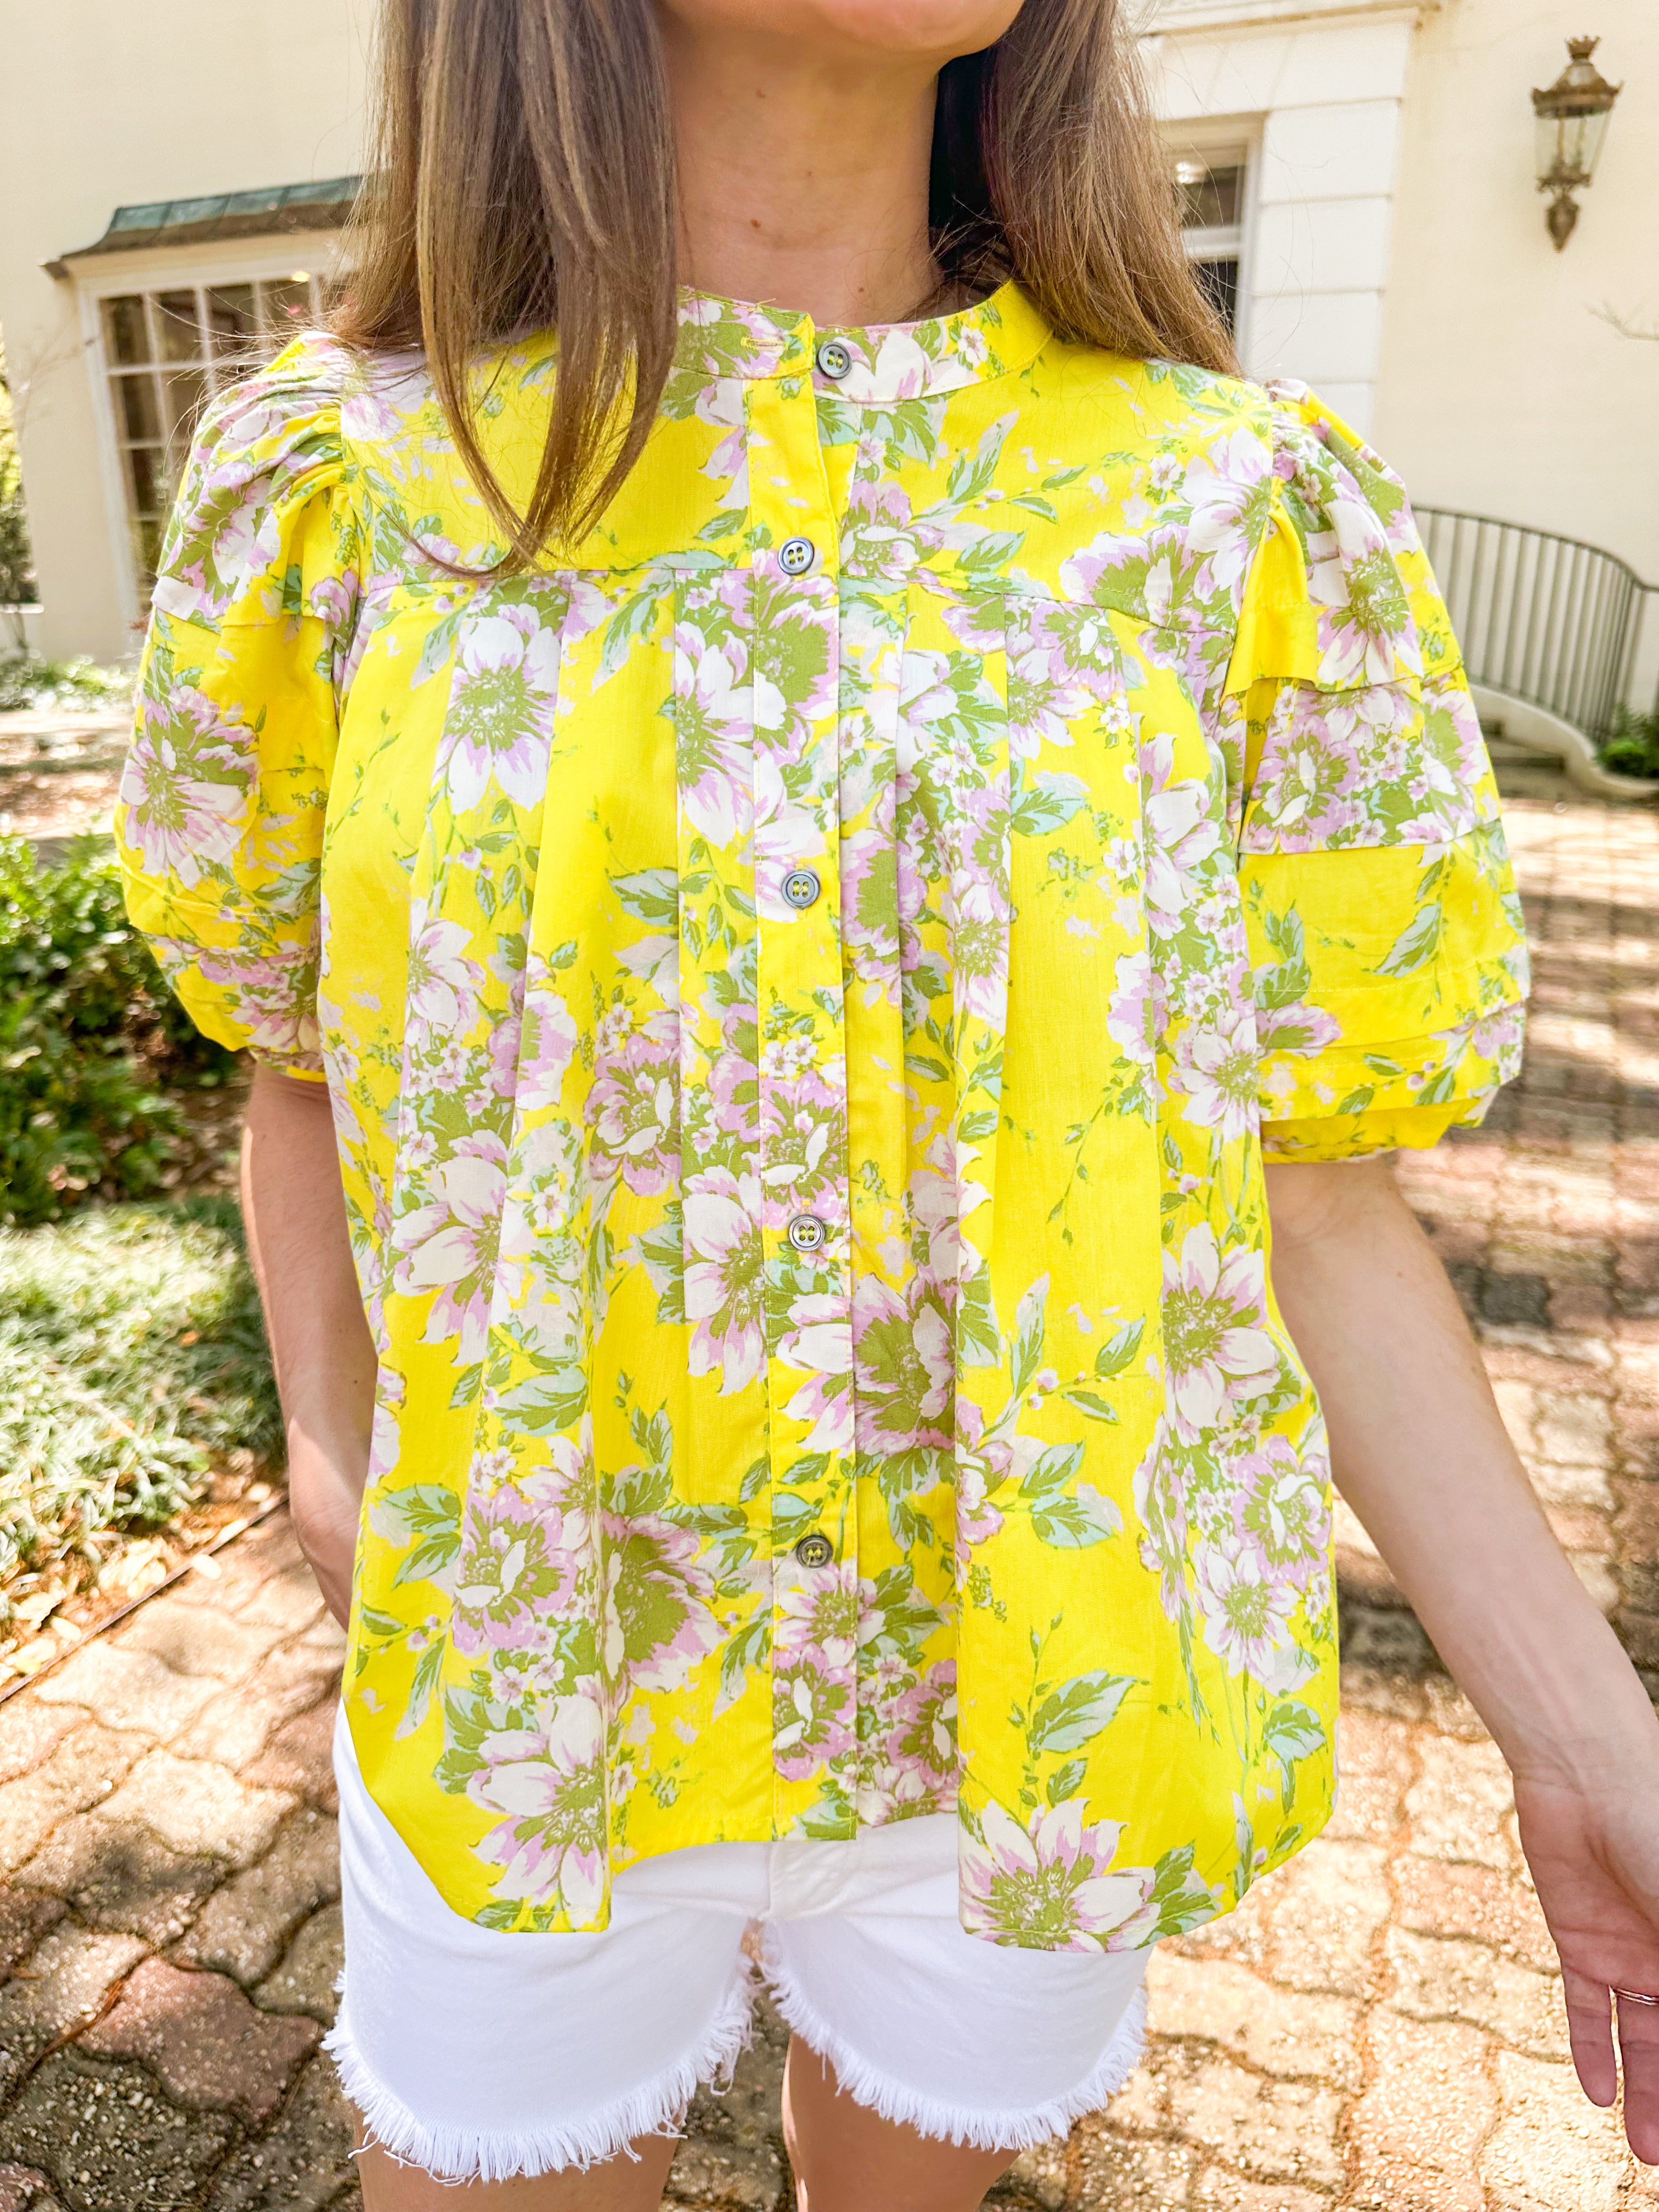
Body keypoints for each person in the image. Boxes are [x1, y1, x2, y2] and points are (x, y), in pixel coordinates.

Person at [114, 0, 1659, 2204]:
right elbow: (302, 1056)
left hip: (1029, 1693)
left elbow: (1311, 1195)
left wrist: (1589, 1738)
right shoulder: (351, 483)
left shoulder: (1217, 505)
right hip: (533, 1665)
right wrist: (330, 1446)